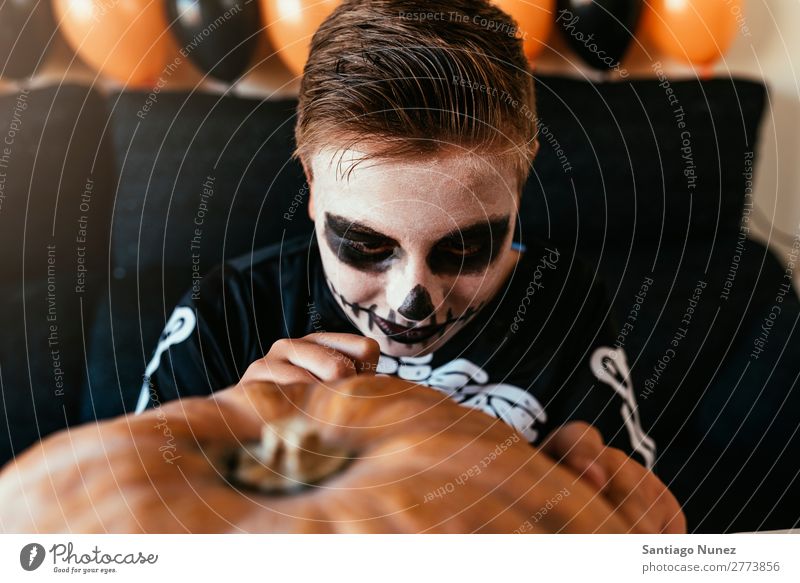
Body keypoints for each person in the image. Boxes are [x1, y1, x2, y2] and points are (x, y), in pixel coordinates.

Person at [137, 0, 684, 532]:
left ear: (520, 183)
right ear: (309, 181)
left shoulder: (562, 300)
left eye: (465, 249)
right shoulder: (223, 316)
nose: (411, 300)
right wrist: (224, 448)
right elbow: (110, 532)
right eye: (366, 245)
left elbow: (641, 522)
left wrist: (624, 523)